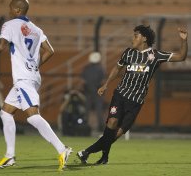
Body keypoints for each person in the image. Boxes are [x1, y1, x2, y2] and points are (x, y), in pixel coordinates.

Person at [77, 25, 188, 165]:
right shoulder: (128, 53)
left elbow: (181, 57)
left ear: (144, 38)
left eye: (136, 35)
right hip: (120, 95)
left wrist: (184, 40)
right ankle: (86, 152)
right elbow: (117, 68)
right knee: (111, 123)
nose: (132, 38)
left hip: (136, 101)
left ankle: (102, 156)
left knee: (117, 134)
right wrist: (106, 84)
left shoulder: (155, 55)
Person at [0, 0, 72, 171]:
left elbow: (1, 46)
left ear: (17, 10)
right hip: (31, 76)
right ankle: (9, 156)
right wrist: (34, 65)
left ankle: (62, 149)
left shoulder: (9, 25)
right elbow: (50, 51)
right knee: (5, 112)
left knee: (33, 115)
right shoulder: (36, 29)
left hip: (24, 79)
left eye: (11, 9)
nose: (9, 11)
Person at [81, 52, 105, 132]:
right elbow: (102, 81)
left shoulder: (86, 68)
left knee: (87, 110)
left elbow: (83, 81)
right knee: (99, 110)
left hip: (88, 92)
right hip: (98, 93)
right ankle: (101, 128)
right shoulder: (100, 69)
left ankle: (85, 127)